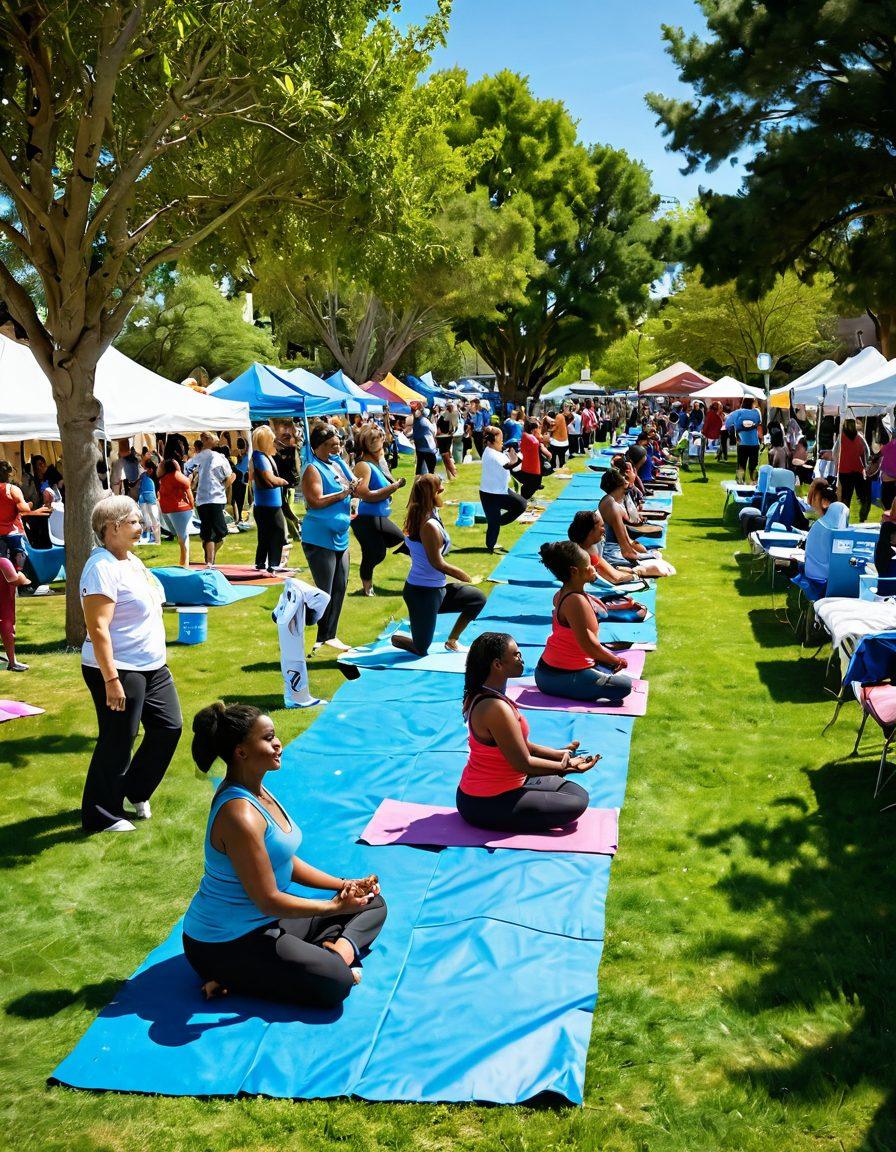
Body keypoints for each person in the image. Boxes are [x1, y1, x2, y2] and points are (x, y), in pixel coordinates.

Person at [183, 702, 387, 1006]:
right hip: (226, 943)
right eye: (268, 738)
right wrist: (333, 908)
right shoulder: (239, 815)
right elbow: (267, 900)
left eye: (274, 735)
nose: (278, 743)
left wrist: (345, 885)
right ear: (241, 752)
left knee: (371, 903)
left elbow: (285, 861)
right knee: (337, 984)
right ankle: (230, 974)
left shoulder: (257, 791)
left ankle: (335, 953)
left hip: (267, 922)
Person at [79, 495, 182, 833]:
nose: (141, 526)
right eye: (134, 522)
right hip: (119, 667)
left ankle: (134, 790)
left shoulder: (130, 560)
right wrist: (111, 679)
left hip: (152, 665)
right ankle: (100, 815)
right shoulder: (101, 568)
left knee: (169, 727)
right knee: (119, 739)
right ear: (112, 527)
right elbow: (97, 628)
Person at [454, 633, 597, 833]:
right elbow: (523, 763)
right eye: (516, 654)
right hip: (485, 801)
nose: (521, 658)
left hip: (508, 784)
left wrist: (559, 755)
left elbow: (523, 746)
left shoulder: (490, 695)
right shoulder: (494, 708)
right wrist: (565, 766)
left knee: (575, 791)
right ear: (497, 664)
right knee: (576, 802)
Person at [391, 474, 486, 656]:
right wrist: (465, 576)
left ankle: (452, 641)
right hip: (422, 593)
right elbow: (437, 563)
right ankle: (396, 637)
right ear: (431, 494)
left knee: (477, 599)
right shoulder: (428, 525)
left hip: (437, 590)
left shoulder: (428, 513)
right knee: (421, 649)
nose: (443, 492)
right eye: (439, 490)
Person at [532, 541, 634, 704]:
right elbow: (588, 645)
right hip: (560, 676)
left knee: (609, 671)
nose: (594, 567)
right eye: (589, 565)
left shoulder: (564, 593)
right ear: (574, 571)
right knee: (624, 686)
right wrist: (614, 660)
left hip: (547, 672)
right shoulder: (575, 601)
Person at [301, 422, 358, 654]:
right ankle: (312, 630)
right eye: (331, 445)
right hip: (319, 538)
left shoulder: (336, 464)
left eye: (337, 444)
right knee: (324, 591)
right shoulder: (312, 468)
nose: (336, 448)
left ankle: (329, 636)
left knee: (340, 587)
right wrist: (343, 494)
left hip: (340, 536)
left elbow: (354, 486)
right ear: (318, 446)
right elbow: (315, 501)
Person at [351, 424, 406, 596]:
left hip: (377, 517)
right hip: (365, 518)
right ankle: (367, 589)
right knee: (374, 553)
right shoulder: (363, 466)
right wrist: (393, 487)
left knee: (395, 541)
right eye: (382, 445)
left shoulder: (376, 464)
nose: (384, 449)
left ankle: (422, 566)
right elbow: (365, 494)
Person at [567, 508, 674, 584]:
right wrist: (639, 574)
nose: (604, 530)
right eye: (602, 526)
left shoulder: (589, 546)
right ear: (591, 531)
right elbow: (615, 578)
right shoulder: (587, 552)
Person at [184, 431, 233, 566]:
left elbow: (186, 469)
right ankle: (210, 561)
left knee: (211, 533)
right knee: (216, 532)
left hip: (205, 499)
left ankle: (209, 559)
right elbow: (229, 476)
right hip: (212, 499)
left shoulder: (204, 457)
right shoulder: (215, 457)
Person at [479, 426, 527, 555]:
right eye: (500, 438)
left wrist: (513, 457)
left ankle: (497, 524)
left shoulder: (489, 450)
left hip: (495, 491)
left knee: (520, 505)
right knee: (520, 505)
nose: (502, 441)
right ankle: (490, 546)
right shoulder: (494, 454)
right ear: (493, 439)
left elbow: (510, 464)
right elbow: (509, 466)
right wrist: (515, 458)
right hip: (493, 494)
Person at [599, 468, 659, 566]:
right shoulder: (613, 507)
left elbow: (627, 540)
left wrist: (644, 552)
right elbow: (626, 551)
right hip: (612, 552)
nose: (625, 495)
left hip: (612, 549)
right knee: (656, 560)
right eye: (625, 491)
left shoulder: (607, 500)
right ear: (619, 487)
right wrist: (647, 557)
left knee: (648, 552)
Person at [251, 425, 289, 573]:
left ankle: (261, 562)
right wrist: (283, 481)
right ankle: (273, 563)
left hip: (264, 504)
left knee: (265, 534)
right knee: (278, 533)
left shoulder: (259, 456)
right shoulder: (261, 457)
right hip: (269, 505)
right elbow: (269, 478)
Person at [803, 478, 850, 592]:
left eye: (815, 498)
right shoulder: (840, 531)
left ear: (825, 502)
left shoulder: (819, 526)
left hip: (817, 577)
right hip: (829, 578)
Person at [158, 453, 195, 567]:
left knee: (182, 538)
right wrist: (192, 505)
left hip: (174, 509)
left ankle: (184, 563)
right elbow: (188, 492)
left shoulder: (168, 478)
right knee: (183, 538)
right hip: (177, 509)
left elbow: (187, 491)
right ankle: (184, 563)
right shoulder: (174, 477)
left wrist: (191, 505)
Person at [834, 417, 871, 521]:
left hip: (844, 470)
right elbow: (866, 452)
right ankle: (862, 517)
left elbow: (834, 453)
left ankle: (844, 520)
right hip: (857, 469)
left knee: (846, 497)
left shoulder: (841, 438)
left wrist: (837, 464)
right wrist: (866, 466)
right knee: (862, 497)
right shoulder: (859, 437)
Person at [0, 555, 31, 671]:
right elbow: (15, 581)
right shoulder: (3, 562)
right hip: (4, 604)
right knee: (7, 628)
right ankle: (12, 663)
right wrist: (21, 574)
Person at [0, 461, 31, 572]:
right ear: (9, 474)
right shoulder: (12, 489)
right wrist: (29, 505)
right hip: (12, 534)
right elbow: (24, 509)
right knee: (22, 562)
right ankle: (22, 577)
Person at [725, 398, 763, 483]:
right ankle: (754, 482)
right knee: (753, 466)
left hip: (742, 443)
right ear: (752, 404)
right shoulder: (756, 413)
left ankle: (739, 482)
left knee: (741, 465)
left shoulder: (737, 413)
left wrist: (734, 432)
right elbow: (759, 424)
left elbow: (727, 424)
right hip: (754, 443)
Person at [274, 430, 302, 543]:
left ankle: (296, 530)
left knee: (283, 508)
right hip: (284, 483)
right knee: (284, 508)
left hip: (285, 483)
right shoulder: (288, 450)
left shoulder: (291, 450)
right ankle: (297, 525)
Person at [518, 417, 550, 503]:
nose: (538, 429)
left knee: (528, 486)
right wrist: (548, 454)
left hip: (527, 467)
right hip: (533, 469)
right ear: (533, 429)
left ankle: (523, 500)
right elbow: (543, 448)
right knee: (531, 487)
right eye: (537, 427)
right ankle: (522, 501)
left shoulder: (524, 435)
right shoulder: (533, 439)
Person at [409, 404, 439, 476]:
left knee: (419, 467)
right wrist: (434, 422)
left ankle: (418, 480)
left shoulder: (416, 421)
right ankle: (431, 480)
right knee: (431, 468)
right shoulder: (425, 421)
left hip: (419, 447)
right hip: (428, 448)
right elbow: (434, 431)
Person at [435, 406, 457, 480]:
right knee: (447, 456)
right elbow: (454, 429)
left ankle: (453, 474)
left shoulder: (443, 417)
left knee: (446, 458)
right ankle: (450, 475)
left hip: (442, 438)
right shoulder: (453, 416)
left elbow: (438, 430)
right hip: (448, 437)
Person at [232, 437, 250, 524]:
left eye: (242, 446)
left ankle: (239, 517)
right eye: (239, 446)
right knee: (235, 499)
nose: (240, 449)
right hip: (236, 480)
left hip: (241, 481)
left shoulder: (247, 457)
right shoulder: (235, 455)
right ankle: (237, 517)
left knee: (240, 500)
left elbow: (243, 470)